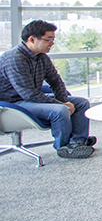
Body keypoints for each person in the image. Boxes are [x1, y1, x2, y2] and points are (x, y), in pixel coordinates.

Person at [0, 20, 96, 159]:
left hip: (31, 99)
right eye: (48, 39)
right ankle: (64, 147)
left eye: (53, 39)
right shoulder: (14, 59)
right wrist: (61, 104)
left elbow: (56, 81)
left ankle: (78, 141)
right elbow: (27, 93)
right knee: (60, 110)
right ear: (32, 39)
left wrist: (64, 100)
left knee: (81, 103)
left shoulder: (41, 57)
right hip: (14, 104)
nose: (52, 43)